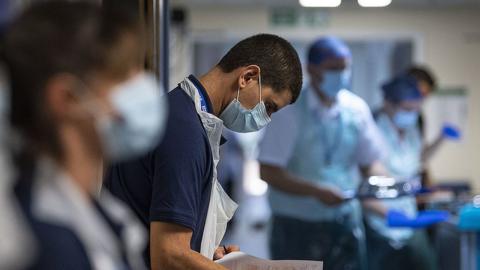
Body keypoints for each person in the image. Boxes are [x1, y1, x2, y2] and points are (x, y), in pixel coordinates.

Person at [104, 34, 303, 270]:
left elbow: (172, 238)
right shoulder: (184, 132)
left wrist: (206, 254)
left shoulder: (185, 116)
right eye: (269, 106)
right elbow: (168, 255)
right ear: (247, 77)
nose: (266, 119)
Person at [3, 1, 167, 269]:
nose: (143, 87)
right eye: (125, 75)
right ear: (68, 98)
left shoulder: (100, 215)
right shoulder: (36, 243)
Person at [258, 36, 384, 270]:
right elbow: (268, 171)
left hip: (345, 222)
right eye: (333, 68)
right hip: (296, 226)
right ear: (312, 70)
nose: (341, 74)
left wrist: (383, 187)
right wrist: (316, 191)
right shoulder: (289, 112)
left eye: (344, 68)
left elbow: (371, 163)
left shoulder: (356, 110)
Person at [363, 74, 438, 270]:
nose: (411, 115)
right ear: (388, 104)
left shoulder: (412, 132)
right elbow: (363, 188)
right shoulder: (370, 133)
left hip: (410, 222)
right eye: (407, 109)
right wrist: (391, 214)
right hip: (379, 228)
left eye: (415, 110)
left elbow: (417, 163)